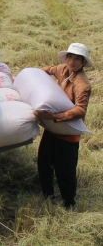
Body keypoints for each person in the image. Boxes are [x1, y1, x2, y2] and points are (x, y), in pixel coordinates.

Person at [33, 43, 93, 209]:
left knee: (65, 172)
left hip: (68, 134)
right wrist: (34, 76)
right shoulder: (63, 69)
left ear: (82, 62)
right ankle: (48, 195)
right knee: (44, 163)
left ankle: (69, 203)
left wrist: (55, 117)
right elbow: (50, 70)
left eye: (77, 59)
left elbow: (80, 110)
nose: (72, 61)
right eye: (70, 57)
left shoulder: (82, 84)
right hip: (52, 130)